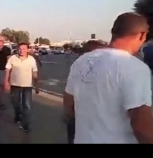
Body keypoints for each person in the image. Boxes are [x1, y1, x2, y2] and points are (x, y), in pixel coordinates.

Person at [64, 12, 153, 143]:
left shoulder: (81, 61)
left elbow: (69, 105)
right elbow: (141, 124)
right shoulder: (134, 67)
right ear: (141, 35)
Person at [64, 39, 106, 144]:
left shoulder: (77, 64)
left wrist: (68, 113)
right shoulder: (108, 67)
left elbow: (69, 93)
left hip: (79, 113)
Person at [4, 42, 39, 133]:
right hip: (15, 85)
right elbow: (7, 70)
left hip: (27, 86)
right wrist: (6, 82)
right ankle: (17, 114)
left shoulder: (31, 59)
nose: (21, 51)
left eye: (24, 49)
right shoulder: (13, 58)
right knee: (15, 103)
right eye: (20, 49)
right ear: (17, 49)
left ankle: (25, 125)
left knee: (27, 106)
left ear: (27, 49)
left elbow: (34, 72)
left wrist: (37, 86)